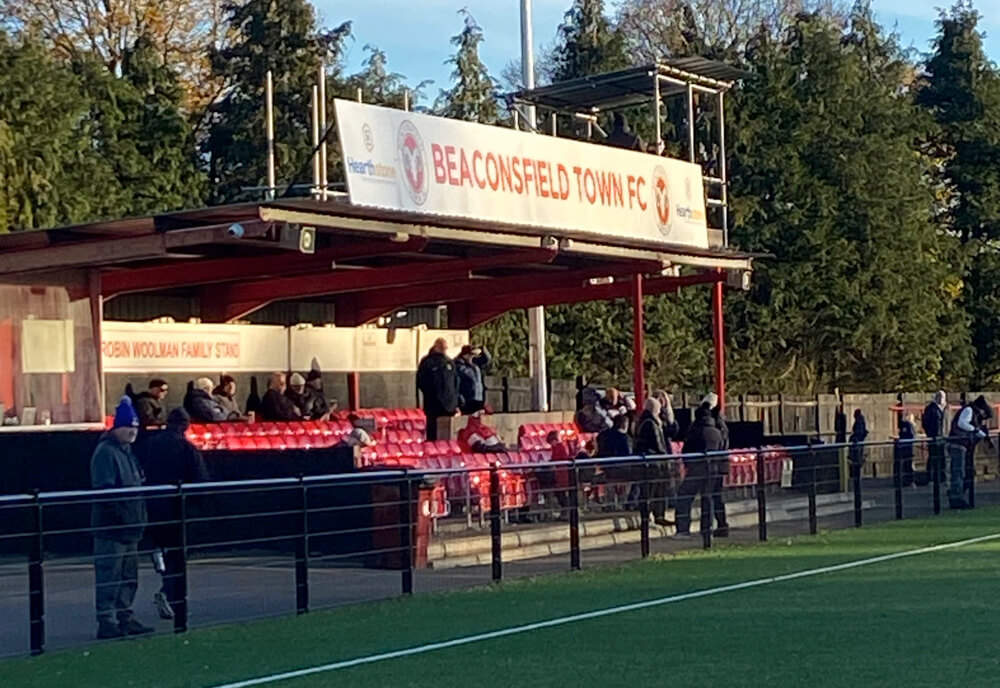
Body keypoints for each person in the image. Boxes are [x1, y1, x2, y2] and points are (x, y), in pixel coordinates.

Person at [90, 396, 153, 639]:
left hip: (128, 527)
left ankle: (122, 616)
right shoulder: (107, 453)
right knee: (110, 574)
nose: (132, 432)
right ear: (117, 427)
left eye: (135, 427)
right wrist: (124, 518)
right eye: (129, 427)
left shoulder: (125, 452)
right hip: (114, 528)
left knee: (127, 576)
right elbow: (105, 492)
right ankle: (107, 619)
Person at [138, 408, 208, 622]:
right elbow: (200, 481)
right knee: (177, 556)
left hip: (151, 506)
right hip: (176, 509)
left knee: (163, 547)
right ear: (185, 425)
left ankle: (160, 563)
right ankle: (172, 596)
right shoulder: (186, 448)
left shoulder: (150, 445)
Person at [674, 395, 728, 537]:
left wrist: (688, 464)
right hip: (715, 467)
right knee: (710, 497)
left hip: (697, 467)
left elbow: (687, 450)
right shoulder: (718, 430)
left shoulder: (695, 429)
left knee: (684, 496)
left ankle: (683, 528)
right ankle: (709, 529)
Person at [634, 397, 676, 528]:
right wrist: (665, 457)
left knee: (656, 491)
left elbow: (672, 430)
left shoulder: (646, 421)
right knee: (650, 491)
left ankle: (657, 516)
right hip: (653, 463)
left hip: (652, 462)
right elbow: (658, 444)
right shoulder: (650, 423)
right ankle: (649, 518)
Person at [947, 395, 991, 510]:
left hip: (963, 445)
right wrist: (976, 430)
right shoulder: (969, 410)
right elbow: (962, 424)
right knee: (959, 472)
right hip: (958, 444)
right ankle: (956, 497)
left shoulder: (971, 412)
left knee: (964, 473)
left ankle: (956, 494)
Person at [416, 338, 460, 440]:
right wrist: (432, 395)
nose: (444, 350)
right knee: (433, 434)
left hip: (449, 406)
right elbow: (421, 382)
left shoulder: (449, 362)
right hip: (433, 406)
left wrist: (455, 401)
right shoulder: (427, 362)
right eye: (442, 347)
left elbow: (456, 383)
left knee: (448, 435)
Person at [920, 391, 947, 487]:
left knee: (941, 458)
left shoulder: (943, 409)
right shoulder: (931, 409)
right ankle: (931, 478)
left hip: (941, 437)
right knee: (933, 458)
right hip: (934, 437)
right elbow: (927, 423)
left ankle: (940, 478)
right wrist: (931, 435)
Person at [456, 345, 491, 415]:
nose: (471, 357)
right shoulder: (459, 366)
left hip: (478, 398)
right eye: (470, 355)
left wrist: (483, 349)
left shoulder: (474, 364)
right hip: (468, 399)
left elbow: (487, 359)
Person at [896, 413, 916, 488]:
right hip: (908, 447)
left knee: (906, 465)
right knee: (908, 465)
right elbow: (912, 435)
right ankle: (909, 481)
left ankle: (907, 481)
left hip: (905, 447)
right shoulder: (908, 425)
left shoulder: (906, 425)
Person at [848, 409, 868, 480]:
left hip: (857, 443)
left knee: (856, 460)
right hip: (859, 443)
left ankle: (855, 476)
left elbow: (859, 432)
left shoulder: (859, 422)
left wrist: (854, 438)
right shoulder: (861, 422)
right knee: (857, 460)